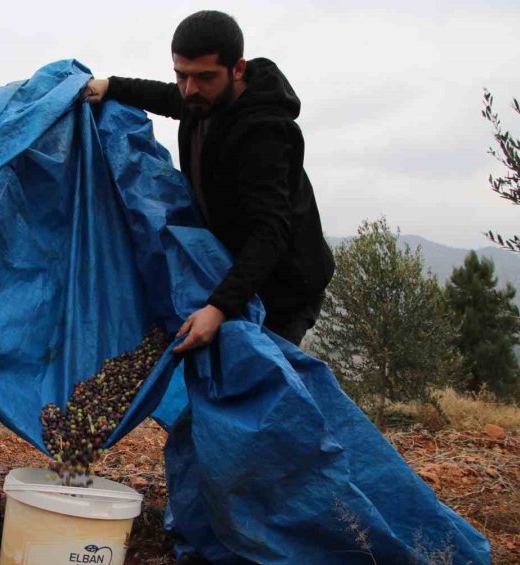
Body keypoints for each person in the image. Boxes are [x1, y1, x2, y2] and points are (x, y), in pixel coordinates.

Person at [83, 10, 334, 348]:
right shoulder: (202, 99)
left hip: (284, 285)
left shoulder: (265, 133)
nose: (190, 89)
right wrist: (112, 85)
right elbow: (168, 98)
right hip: (236, 266)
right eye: (181, 75)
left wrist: (218, 308)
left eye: (204, 77)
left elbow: (270, 231)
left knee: (264, 376)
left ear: (238, 69)